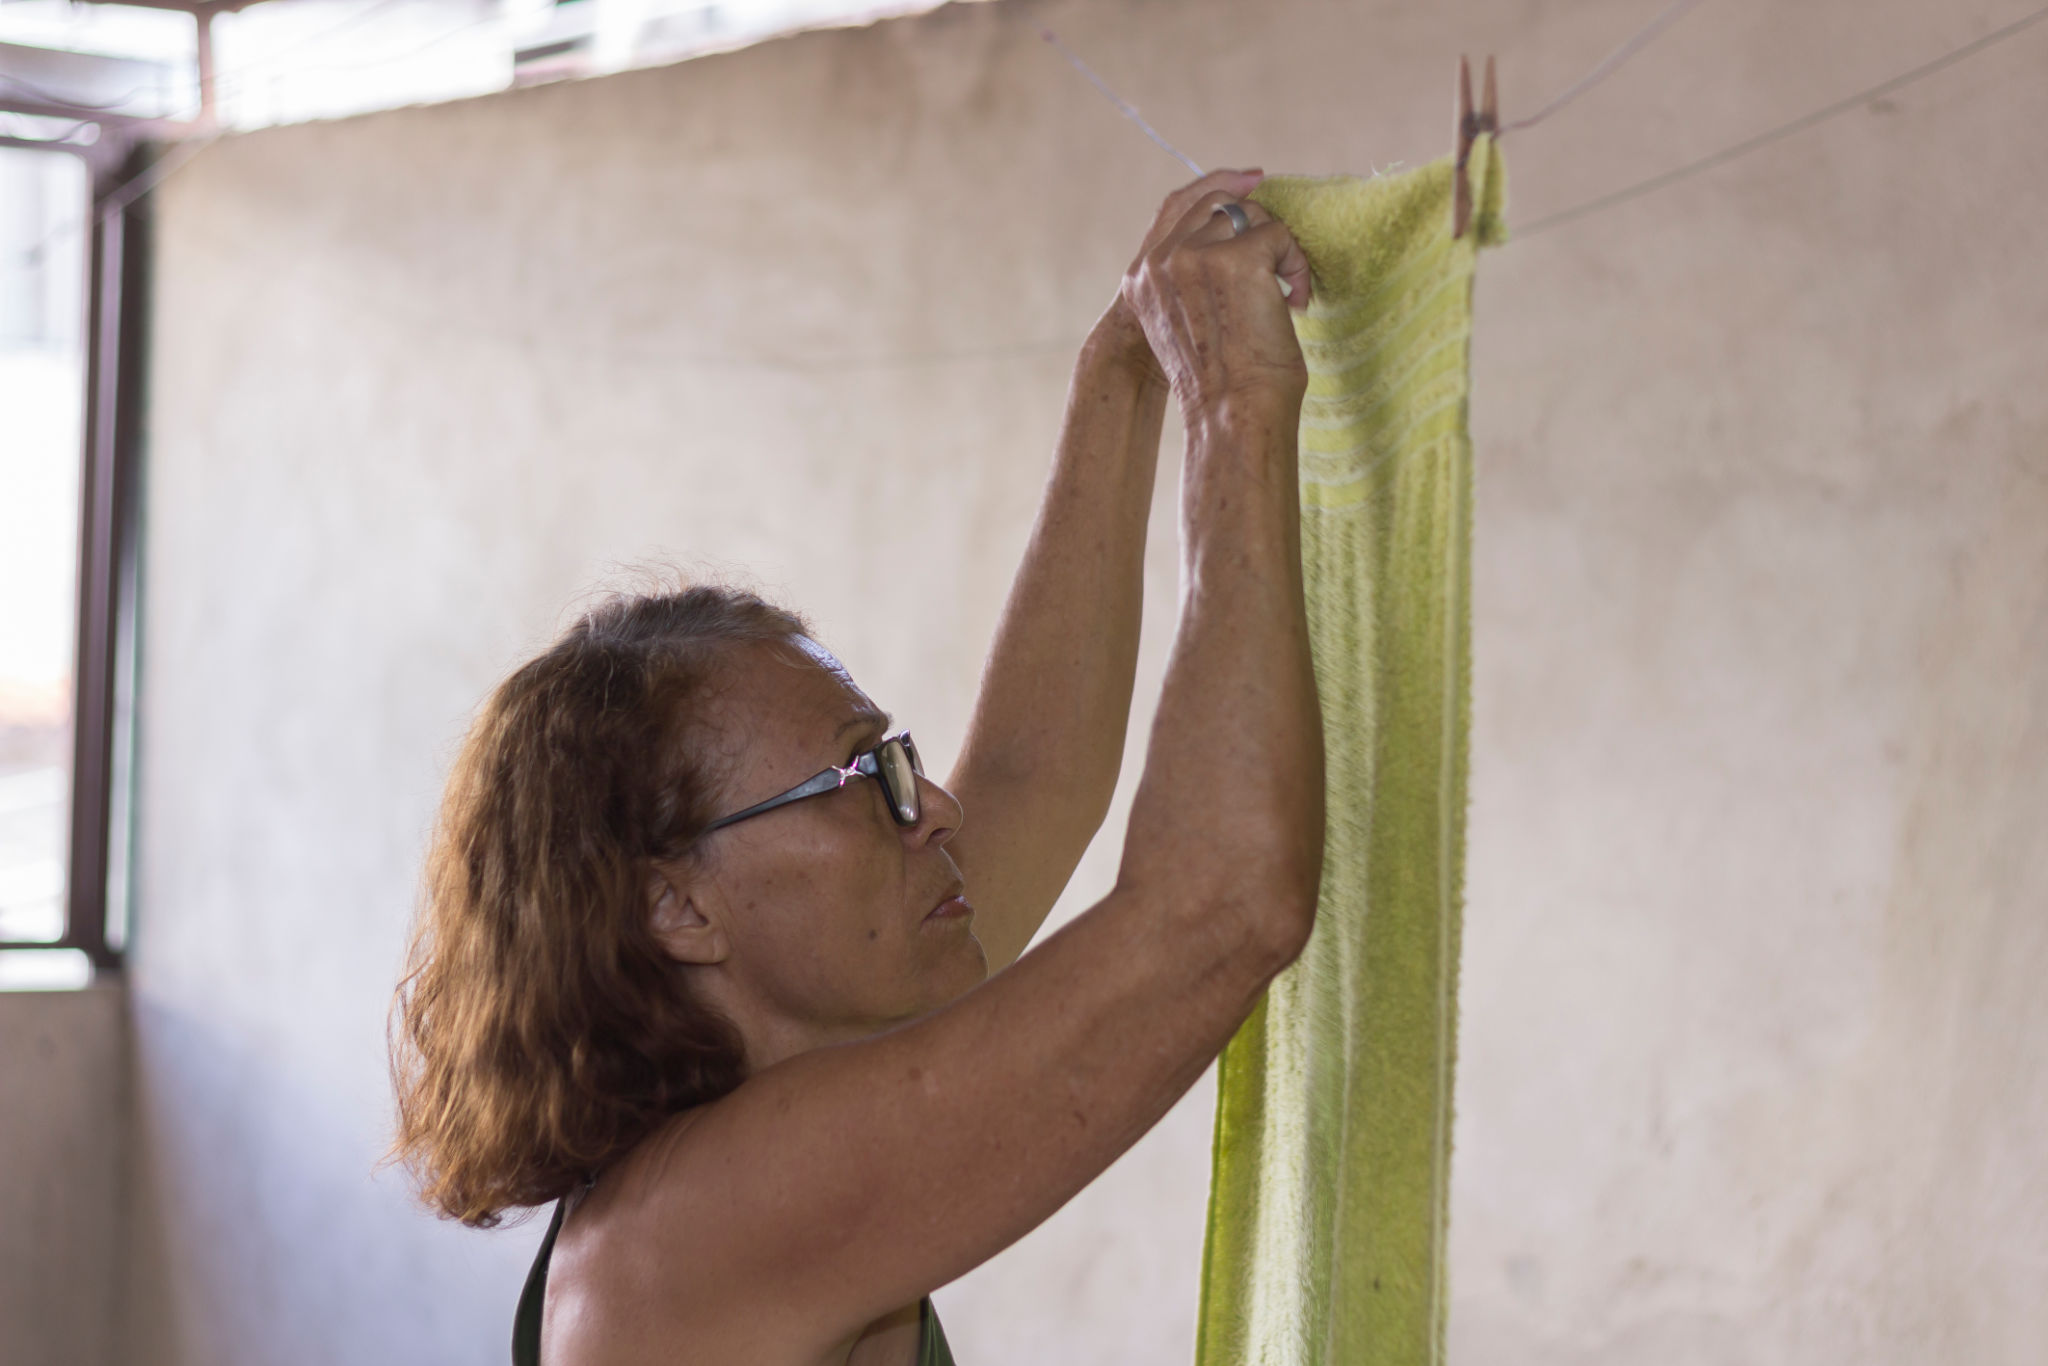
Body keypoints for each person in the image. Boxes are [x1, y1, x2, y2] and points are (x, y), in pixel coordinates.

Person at [390, 168, 1325, 1366]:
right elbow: (1223, 904)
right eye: (861, 781)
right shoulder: (706, 1219)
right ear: (677, 903)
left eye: (900, 760)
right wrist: (1236, 402)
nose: (930, 808)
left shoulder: (756, 1110)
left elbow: (1033, 777)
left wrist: (1127, 369)